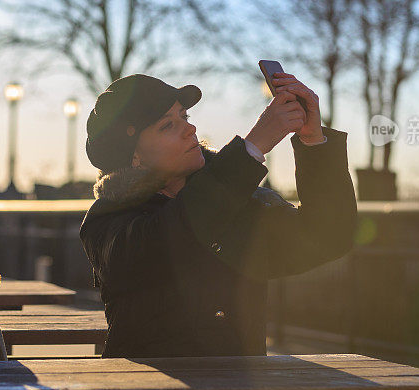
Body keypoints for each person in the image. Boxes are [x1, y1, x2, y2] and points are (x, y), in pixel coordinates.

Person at [80, 72, 357, 358]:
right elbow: (170, 239)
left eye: (184, 116)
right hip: (146, 388)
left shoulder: (235, 199)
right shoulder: (108, 219)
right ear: (134, 157)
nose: (190, 129)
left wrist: (313, 141)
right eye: (167, 125)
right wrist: (251, 149)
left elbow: (327, 237)